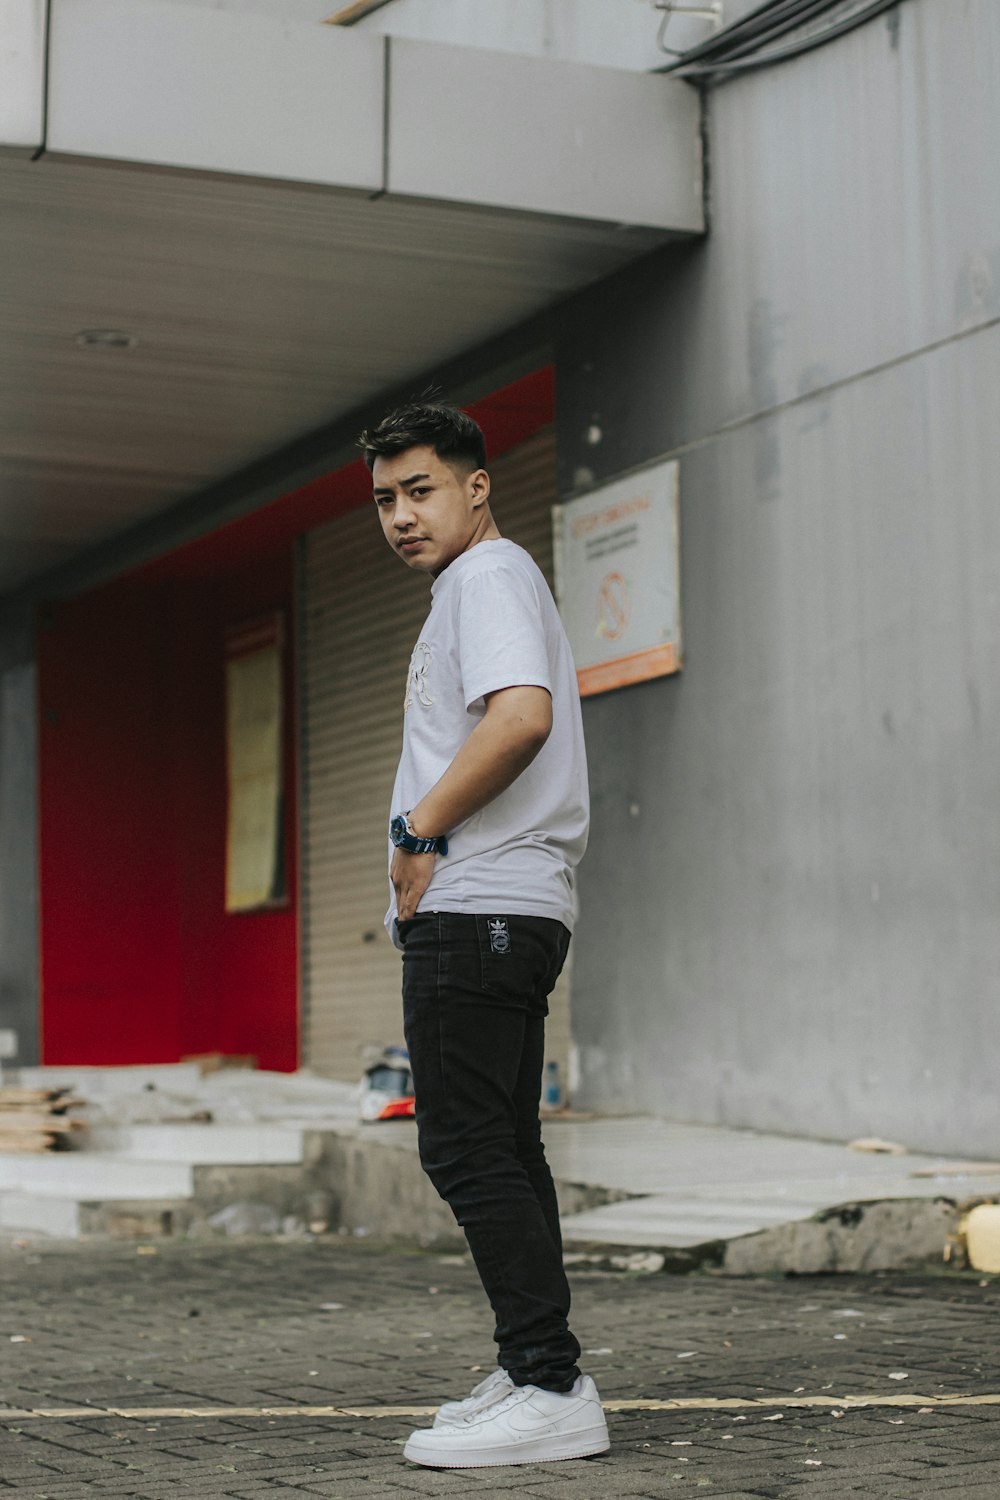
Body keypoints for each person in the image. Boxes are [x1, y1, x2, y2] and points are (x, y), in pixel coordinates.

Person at [358, 400, 609, 1469]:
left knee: (464, 1146)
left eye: (421, 490)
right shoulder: (478, 583)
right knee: (502, 1144)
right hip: (507, 906)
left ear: (476, 485)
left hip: (481, 907)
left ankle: (550, 1385)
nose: (402, 515)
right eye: (383, 499)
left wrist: (421, 827)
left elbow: (520, 717)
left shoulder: (487, 577)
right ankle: (535, 1366)